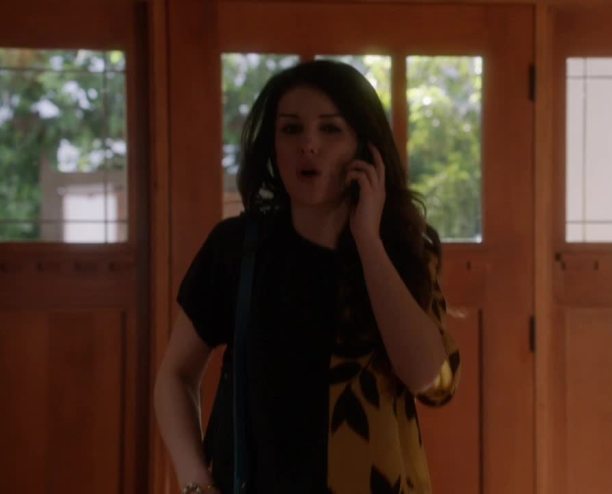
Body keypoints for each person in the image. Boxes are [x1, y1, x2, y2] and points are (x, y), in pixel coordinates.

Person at [154, 60, 460, 494]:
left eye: (331, 129)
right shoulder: (236, 247)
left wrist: (368, 241)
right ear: (272, 146)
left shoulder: (401, 250)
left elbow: (429, 379)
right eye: (291, 129)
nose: (309, 145)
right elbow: (175, 375)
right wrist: (195, 484)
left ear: (364, 147)